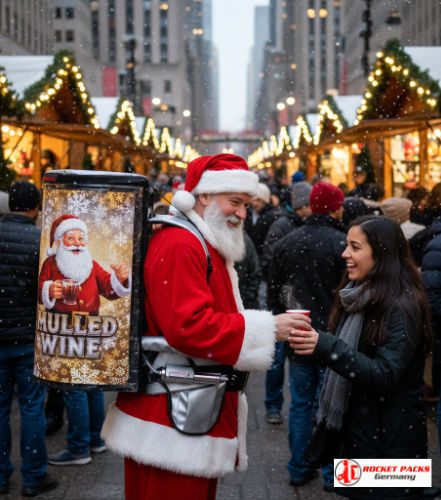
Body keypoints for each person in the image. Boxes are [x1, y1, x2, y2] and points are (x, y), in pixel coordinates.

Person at [101, 153, 300, 499]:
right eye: (234, 202)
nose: (242, 213)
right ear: (204, 196)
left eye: (246, 204)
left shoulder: (200, 239)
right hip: (173, 415)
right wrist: (268, 329)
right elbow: (187, 326)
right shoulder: (182, 242)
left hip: (185, 408)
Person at [289, 215, 435, 499]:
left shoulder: (401, 305)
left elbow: (386, 375)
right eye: (347, 245)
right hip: (361, 433)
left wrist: (327, 346)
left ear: (381, 254)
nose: (345, 254)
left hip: (392, 443)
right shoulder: (361, 296)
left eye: (355, 247)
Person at [268, 182, 346, 491]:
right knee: (331, 407)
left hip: (298, 335)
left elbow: (274, 290)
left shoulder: (288, 242)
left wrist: (284, 320)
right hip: (333, 339)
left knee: (300, 405)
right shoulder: (343, 243)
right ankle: (330, 473)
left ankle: (299, 467)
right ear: (334, 207)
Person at [38, 214, 130, 466]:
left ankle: (81, 447)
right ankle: (94, 440)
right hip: (63, 331)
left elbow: (110, 291)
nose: (77, 242)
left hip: (89, 330)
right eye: (71, 237)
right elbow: (40, 289)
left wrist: (121, 279)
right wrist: (48, 290)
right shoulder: (51, 263)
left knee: (78, 387)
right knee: (86, 386)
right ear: (60, 241)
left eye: (81, 238)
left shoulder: (92, 264)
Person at [0, 181, 58, 497]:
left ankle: (0, 476)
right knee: (32, 408)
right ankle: (34, 477)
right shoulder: (41, 241)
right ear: (36, 208)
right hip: (27, 339)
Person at [261, 180, 312, 424]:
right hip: (284, 302)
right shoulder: (281, 225)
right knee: (277, 358)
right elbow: (270, 262)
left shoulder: (303, 225)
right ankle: (273, 404)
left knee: (297, 356)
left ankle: (296, 406)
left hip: (302, 300)